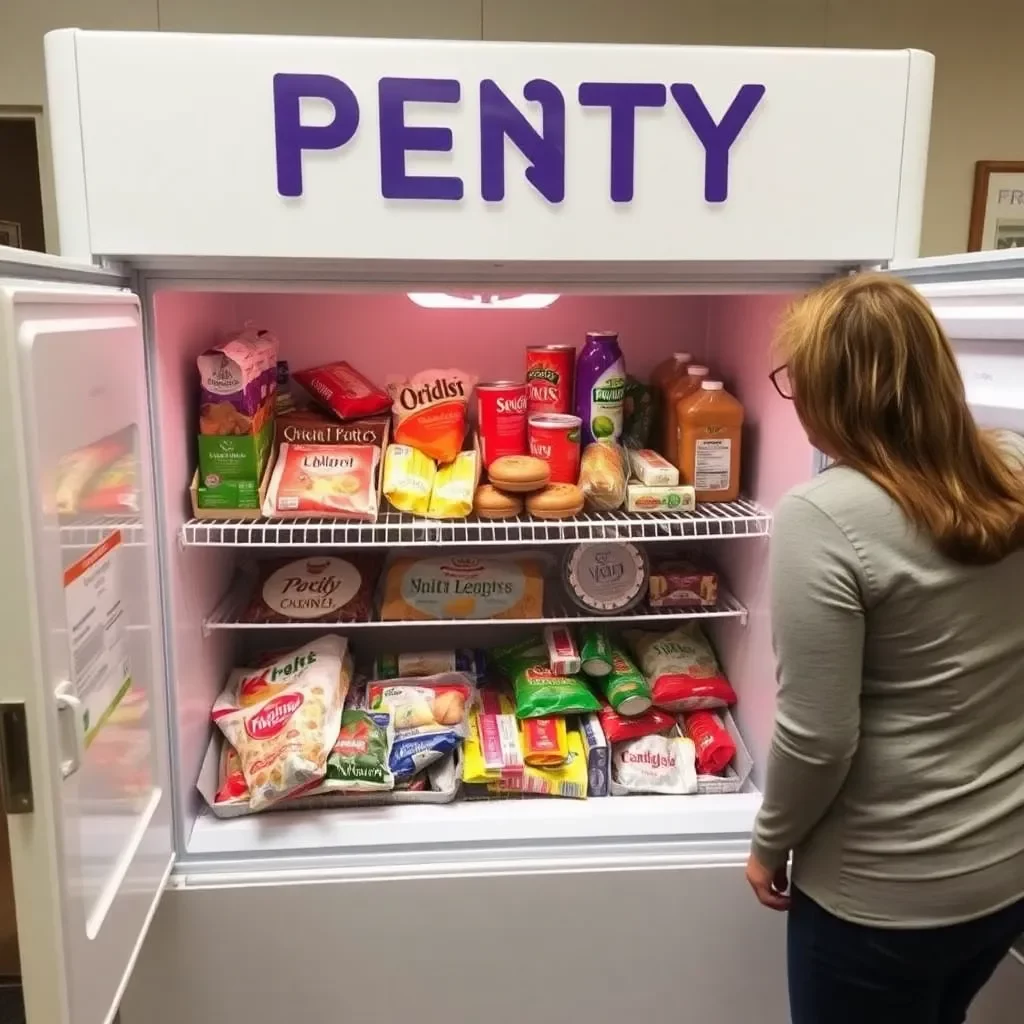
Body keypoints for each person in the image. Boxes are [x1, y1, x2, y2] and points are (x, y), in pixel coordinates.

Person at [745, 273, 1024, 1024]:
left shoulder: (822, 515)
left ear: (837, 393)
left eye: (798, 378)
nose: (793, 395)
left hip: (883, 893)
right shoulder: (1012, 469)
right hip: (1005, 872)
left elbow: (819, 736)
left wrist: (769, 845)